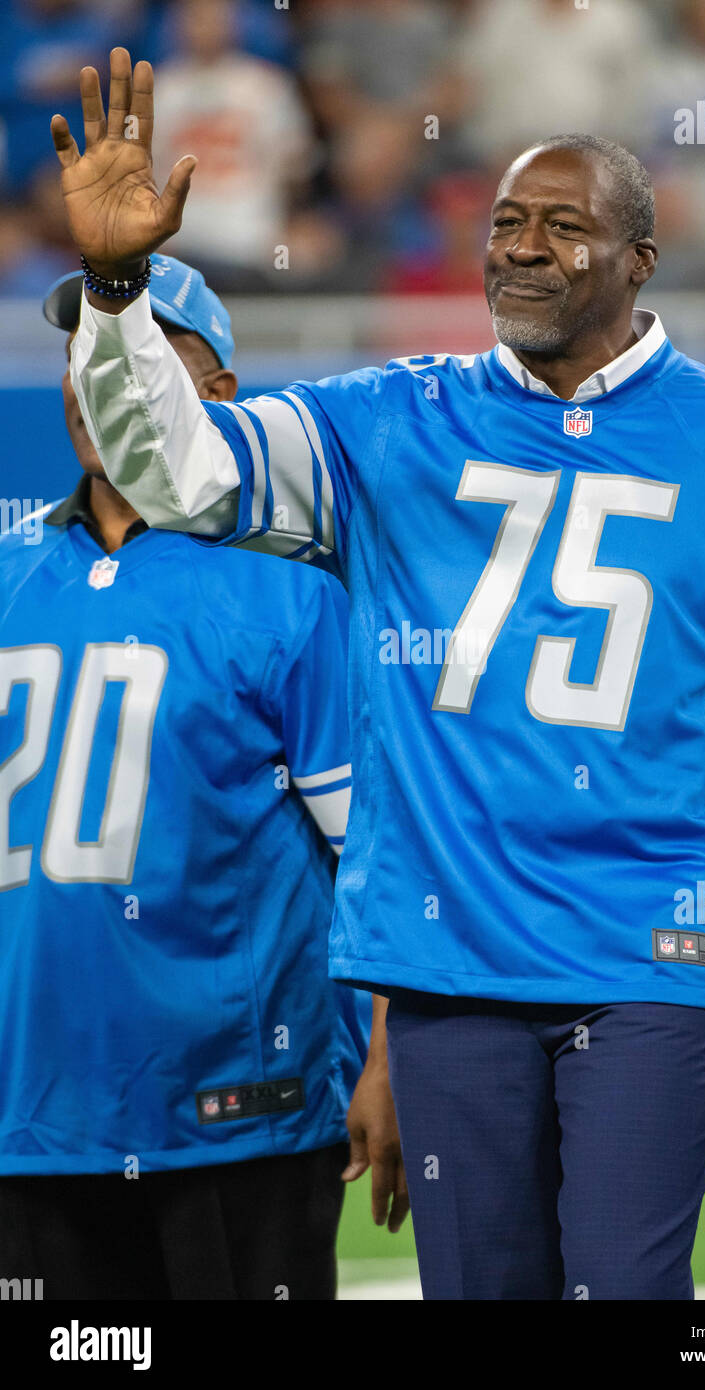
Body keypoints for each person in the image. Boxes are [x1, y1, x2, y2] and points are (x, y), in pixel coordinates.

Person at [53, 49, 705, 1301]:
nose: (523, 249)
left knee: (622, 1285)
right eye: (504, 225)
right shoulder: (384, 419)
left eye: (564, 226)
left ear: (638, 262)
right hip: (450, 961)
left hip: (650, 948)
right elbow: (176, 472)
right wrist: (114, 289)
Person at [0, 251, 406, 1301]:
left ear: (216, 395)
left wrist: (389, 1053)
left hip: (238, 1108)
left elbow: (378, 853)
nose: (102, 377)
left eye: (138, 354)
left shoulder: (289, 593)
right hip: (28, 1115)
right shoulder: (7, 575)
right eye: (83, 351)